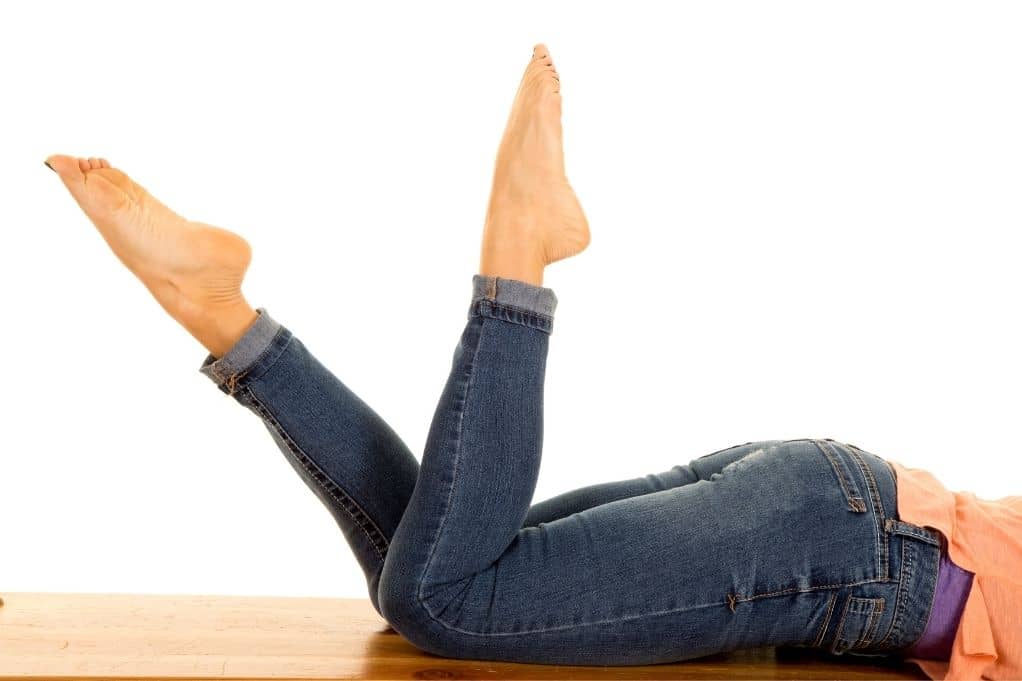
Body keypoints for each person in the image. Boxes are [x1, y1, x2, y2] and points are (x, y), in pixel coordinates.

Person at [44, 44, 1020, 680]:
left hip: (833, 507)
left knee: (422, 568)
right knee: (452, 601)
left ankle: (219, 312)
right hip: (846, 555)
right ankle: (518, 250)